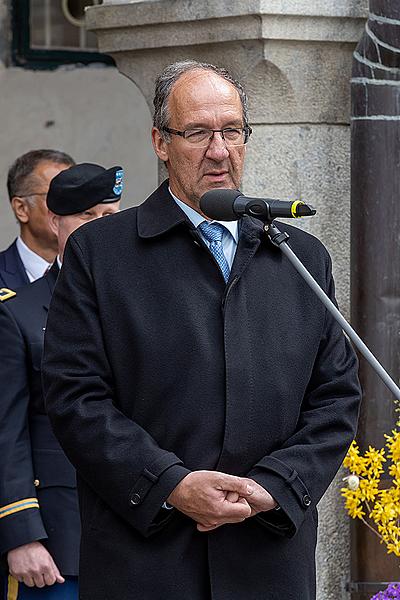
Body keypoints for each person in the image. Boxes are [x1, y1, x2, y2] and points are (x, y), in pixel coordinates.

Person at [42, 61, 361, 600]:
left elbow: (336, 396)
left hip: (266, 558)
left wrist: (274, 486)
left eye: (231, 130)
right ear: (160, 143)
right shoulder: (100, 253)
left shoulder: (300, 255)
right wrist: (171, 485)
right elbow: (76, 397)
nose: (219, 150)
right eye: (197, 133)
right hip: (146, 559)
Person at [0, 163, 122, 600]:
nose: (101, 228)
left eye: (111, 216)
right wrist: (21, 534)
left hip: (141, 536)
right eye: (87, 217)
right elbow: (6, 432)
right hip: (58, 541)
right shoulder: (17, 312)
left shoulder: (143, 306)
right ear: (54, 221)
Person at [0, 149, 75, 295]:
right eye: (58, 196)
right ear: (21, 208)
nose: (73, 206)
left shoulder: (98, 272)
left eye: (77, 196)